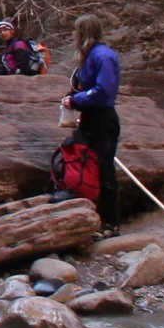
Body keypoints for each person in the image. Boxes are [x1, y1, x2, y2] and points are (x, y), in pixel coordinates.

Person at [63, 14, 121, 226]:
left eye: (76, 31)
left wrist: (76, 100)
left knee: (105, 168)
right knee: (80, 157)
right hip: (90, 117)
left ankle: (110, 223)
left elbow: (103, 90)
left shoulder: (103, 56)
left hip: (102, 120)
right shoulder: (88, 57)